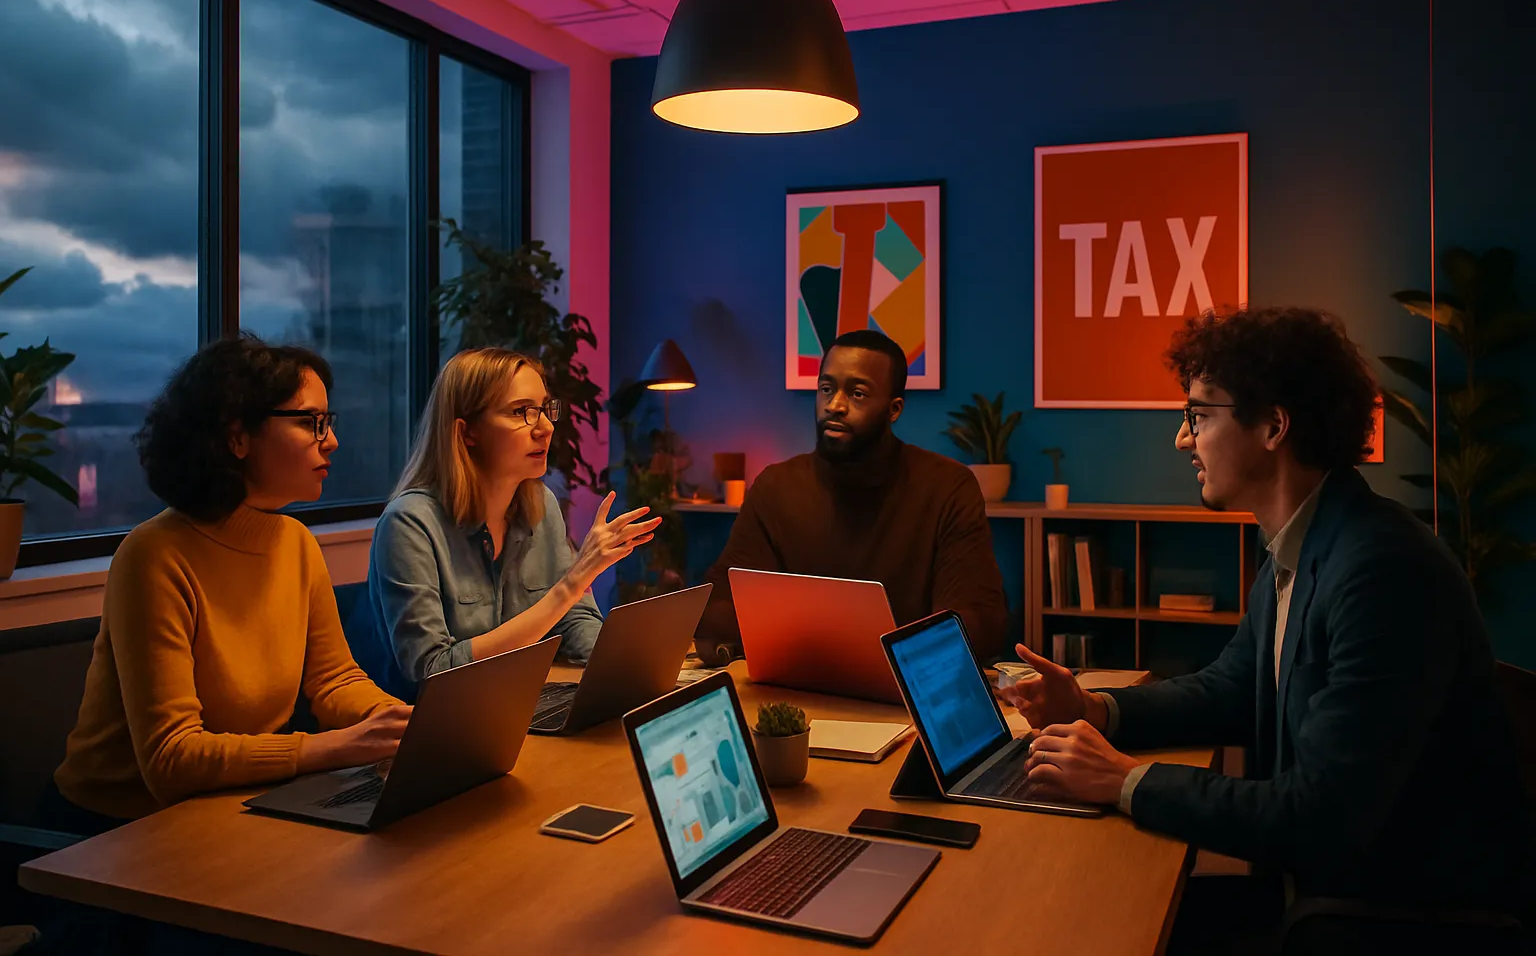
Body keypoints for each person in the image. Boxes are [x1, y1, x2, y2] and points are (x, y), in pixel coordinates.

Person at [1002, 307, 1528, 943]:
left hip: (1387, 917)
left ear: (1274, 425)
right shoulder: (1305, 543)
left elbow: (1319, 814)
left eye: (1198, 414)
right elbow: (1232, 686)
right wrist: (1095, 706)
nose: (1182, 438)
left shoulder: (1383, 571)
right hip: (1321, 891)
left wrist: (1123, 779)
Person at [49, 334, 410, 831]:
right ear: (237, 436)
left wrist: (405, 725)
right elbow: (172, 760)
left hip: (233, 807)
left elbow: (334, 681)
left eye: (329, 423)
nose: (332, 441)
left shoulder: (295, 542)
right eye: (311, 422)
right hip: (113, 835)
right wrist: (331, 747)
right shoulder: (154, 554)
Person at [356, 348, 660, 700]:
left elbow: (574, 620)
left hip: (518, 706)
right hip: (433, 730)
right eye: (521, 412)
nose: (545, 428)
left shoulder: (540, 503)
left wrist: (629, 671)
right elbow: (432, 672)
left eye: (545, 409)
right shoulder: (409, 524)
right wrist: (572, 584)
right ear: (467, 432)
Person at [696, 329, 1009, 664]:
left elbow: (979, 621)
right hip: (797, 684)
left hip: (902, 690)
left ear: (894, 409)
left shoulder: (947, 487)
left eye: (857, 394)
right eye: (826, 389)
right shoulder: (776, 487)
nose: (835, 406)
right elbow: (721, 602)